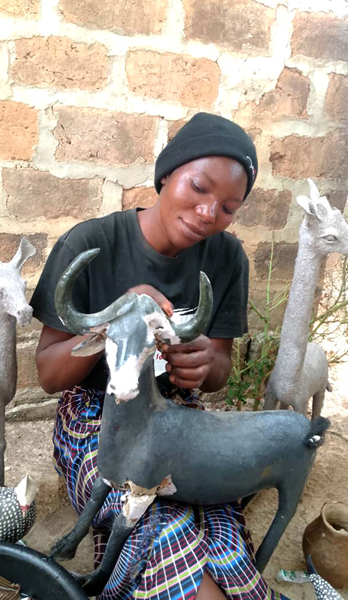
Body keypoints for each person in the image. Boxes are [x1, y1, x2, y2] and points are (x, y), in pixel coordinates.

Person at [29, 113, 284, 600]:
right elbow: (48, 372)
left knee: (217, 518)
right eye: (199, 187)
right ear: (167, 174)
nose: (210, 213)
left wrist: (207, 364)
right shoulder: (91, 244)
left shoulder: (227, 259)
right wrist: (120, 319)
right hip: (95, 414)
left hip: (178, 414)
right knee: (153, 521)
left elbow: (220, 371)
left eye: (229, 206)